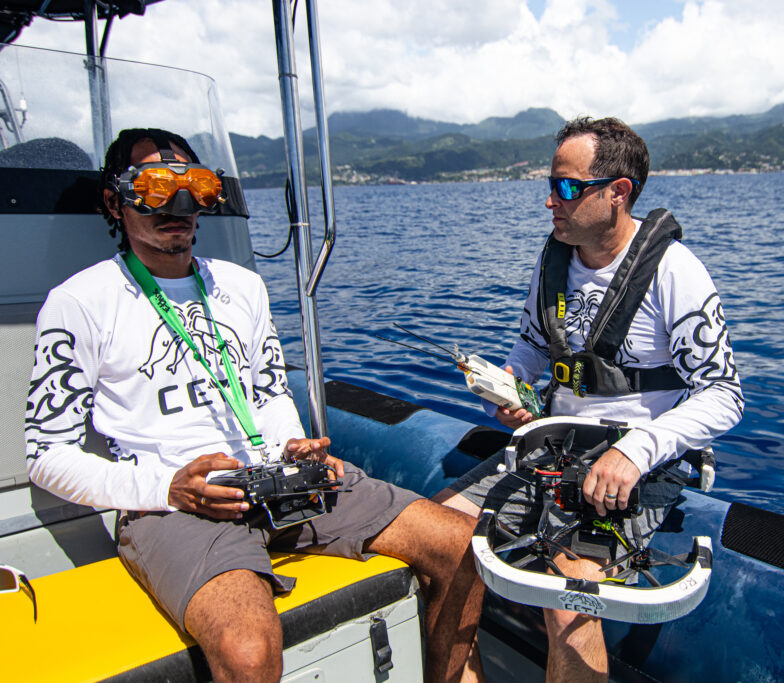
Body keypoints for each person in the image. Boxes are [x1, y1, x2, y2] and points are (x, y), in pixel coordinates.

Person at [25, 128, 485, 683]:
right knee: (248, 651)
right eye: (151, 188)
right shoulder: (79, 303)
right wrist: (165, 487)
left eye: (195, 186)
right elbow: (47, 455)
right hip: (176, 508)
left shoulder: (242, 287)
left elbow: (266, 393)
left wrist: (292, 444)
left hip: (280, 482)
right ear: (113, 200)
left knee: (463, 546)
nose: (179, 205)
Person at [435, 117, 744, 681]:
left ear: (617, 192)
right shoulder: (553, 261)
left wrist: (638, 451)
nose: (551, 200)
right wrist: (503, 393)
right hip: (550, 449)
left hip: (637, 462)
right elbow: (527, 354)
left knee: (569, 596)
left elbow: (723, 394)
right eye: (550, 185)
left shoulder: (676, 273)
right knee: (435, 536)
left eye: (567, 187)